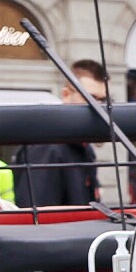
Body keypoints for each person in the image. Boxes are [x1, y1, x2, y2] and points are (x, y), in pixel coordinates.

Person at [17, 59, 106, 208]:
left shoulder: (83, 146)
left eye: (103, 100)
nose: (99, 107)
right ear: (66, 94)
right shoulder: (46, 145)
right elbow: (38, 214)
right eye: (91, 98)